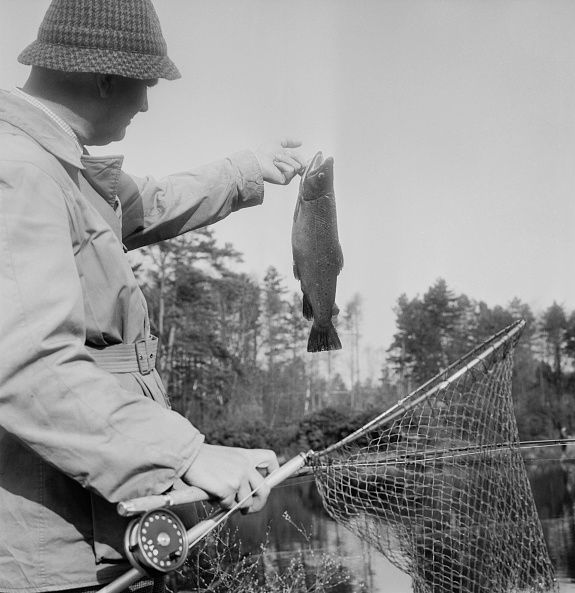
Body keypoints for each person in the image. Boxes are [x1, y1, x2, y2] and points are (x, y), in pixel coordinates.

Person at [0, 0, 307, 591]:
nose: (145, 103)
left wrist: (247, 171)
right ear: (104, 78)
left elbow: (145, 203)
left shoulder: (55, 165)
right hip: (49, 554)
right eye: (144, 86)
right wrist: (185, 456)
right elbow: (25, 365)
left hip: (86, 527)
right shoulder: (21, 171)